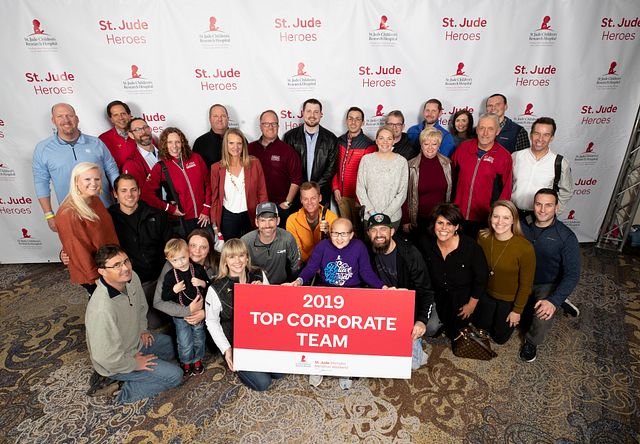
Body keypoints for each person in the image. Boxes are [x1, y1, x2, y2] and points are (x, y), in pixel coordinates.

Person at [286, 218, 386, 389]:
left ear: (352, 235)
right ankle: (317, 367)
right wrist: (300, 280)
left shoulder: (359, 247)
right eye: (335, 233)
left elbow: (366, 272)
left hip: (352, 293)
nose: (339, 238)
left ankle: (345, 369)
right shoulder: (323, 246)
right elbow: (311, 267)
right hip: (326, 293)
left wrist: (382, 287)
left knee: (348, 335)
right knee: (320, 334)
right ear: (330, 233)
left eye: (344, 234)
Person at [86, 245, 182, 404]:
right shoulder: (101, 310)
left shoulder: (132, 278)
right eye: (116, 265)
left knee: (177, 347)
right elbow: (104, 356)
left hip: (137, 341)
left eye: (126, 261)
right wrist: (133, 363)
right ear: (102, 271)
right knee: (175, 376)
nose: (125, 268)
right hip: (116, 361)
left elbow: (141, 308)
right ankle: (120, 389)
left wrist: (143, 329)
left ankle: (136, 375)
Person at [205, 239, 284, 391]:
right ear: (225, 261)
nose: (237, 261)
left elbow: (273, 307)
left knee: (280, 373)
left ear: (247, 257)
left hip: (260, 336)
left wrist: (263, 293)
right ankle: (244, 365)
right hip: (236, 341)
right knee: (263, 383)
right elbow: (211, 322)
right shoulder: (216, 287)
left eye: (241, 256)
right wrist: (227, 350)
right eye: (232, 257)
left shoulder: (258, 275)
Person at [32, 103, 119, 232]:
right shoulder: (43, 149)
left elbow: (112, 171)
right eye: (60, 116)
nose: (66, 120)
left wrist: (120, 199)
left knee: (111, 249)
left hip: (104, 209)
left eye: (70, 115)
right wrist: (49, 215)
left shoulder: (97, 143)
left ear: (77, 118)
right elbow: (41, 183)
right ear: (53, 120)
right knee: (78, 252)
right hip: (71, 213)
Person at [519, 189, 581, 362]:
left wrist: (553, 301)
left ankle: (531, 342)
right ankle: (562, 300)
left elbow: (573, 274)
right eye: (539, 204)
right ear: (534, 205)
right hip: (521, 280)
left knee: (542, 315)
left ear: (556, 207)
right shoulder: (522, 224)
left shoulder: (566, 237)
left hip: (547, 283)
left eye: (548, 205)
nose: (543, 210)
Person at [367, 213, 434, 369]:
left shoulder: (410, 254)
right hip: (380, 304)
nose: (378, 234)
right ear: (368, 233)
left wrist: (421, 320)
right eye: (374, 230)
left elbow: (426, 290)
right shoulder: (367, 250)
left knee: (413, 363)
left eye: (383, 229)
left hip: (407, 307)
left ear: (392, 231)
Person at [419, 203, 488, 343]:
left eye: (449, 224)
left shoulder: (471, 247)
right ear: (434, 224)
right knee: (430, 329)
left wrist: (472, 305)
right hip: (436, 295)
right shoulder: (425, 243)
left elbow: (481, 278)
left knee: (455, 333)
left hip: (461, 298)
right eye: (440, 223)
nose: (444, 228)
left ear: (456, 227)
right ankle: (438, 322)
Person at [108, 174, 172, 327]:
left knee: (160, 322)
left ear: (139, 192)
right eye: (123, 191)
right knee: (147, 324)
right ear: (115, 194)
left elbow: (172, 245)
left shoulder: (158, 215)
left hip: (159, 279)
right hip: (130, 283)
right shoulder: (108, 219)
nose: (129, 195)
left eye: (133, 190)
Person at [475, 200, 536, 344]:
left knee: (499, 338)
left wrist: (517, 311)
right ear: (490, 218)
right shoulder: (482, 237)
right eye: (496, 216)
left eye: (506, 217)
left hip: (509, 300)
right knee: (480, 327)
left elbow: (526, 285)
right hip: (486, 293)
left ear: (513, 220)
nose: (500, 222)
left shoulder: (525, 248)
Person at [55, 162, 119, 294]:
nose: (93, 183)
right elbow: (78, 250)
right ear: (76, 182)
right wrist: (96, 279)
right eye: (87, 179)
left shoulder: (94, 199)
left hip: (108, 265)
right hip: (95, 274)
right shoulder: (68, 213)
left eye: (97, 179)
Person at [154, 229, 220, 347]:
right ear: (185, 246)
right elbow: (158, 302)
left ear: (210, 249)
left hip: (211, 313)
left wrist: (206, 312)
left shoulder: (217, 263)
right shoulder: (172, 264)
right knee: (184, 341)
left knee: (212, 345)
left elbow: (226, 296)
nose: (196, 251)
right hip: (183, 314)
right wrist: (188, 311)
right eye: (193, 246)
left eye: (203, 247)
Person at [451, 113, 512, 239]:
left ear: (497, 131)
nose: (485, 133)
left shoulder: (504, 156)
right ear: (477, 129)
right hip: (457, 214)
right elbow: (450, 176)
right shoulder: (463, 148)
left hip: (484, 218)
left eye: (490, 129)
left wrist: (496, 217)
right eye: (482, 128)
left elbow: (506, 191)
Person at [141, 127, 212, 236]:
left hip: (204, 216)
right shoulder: (161, 167)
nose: (174, 146)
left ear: (182, 143)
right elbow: (146, 194)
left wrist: (207, 208)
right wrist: (169, 208)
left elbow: (208, 184)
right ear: (165, 144)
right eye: (170, 142)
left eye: (177, 142)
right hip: (183, 219)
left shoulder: (196, 158)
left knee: (209, 248)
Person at [161, 238, 209, 376]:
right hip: (180, 315)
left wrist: (201, 282)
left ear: (188, 253)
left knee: (199, 337)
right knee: (184, 340)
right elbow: (165, 297)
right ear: (169, 260)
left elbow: (209, 285)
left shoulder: (198, 269)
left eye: (183, 258)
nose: (180, 262)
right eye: (174, 260)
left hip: (198, 311)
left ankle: (197, 359)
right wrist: (174, 290)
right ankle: (186, 361)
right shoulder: (170, 276)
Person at [211, 128, 268, 240]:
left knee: (251, 249)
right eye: (231, 143)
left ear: (243, 146)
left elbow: (262, 192)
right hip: (228, 217)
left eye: (239, 143)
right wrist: (214, 224)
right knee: (232, 252)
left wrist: (263, 217)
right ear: (225, 145)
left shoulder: (254, 163)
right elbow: (215, 199)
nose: (235, 147)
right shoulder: (216, 168)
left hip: (251, 215)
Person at [248, 110, 302, 226]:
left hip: (279, 207)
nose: (270, 127)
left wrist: (287, 202)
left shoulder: (288, 151)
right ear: (261, 126)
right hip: (254, 206)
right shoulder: (249, 149)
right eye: (266, 124)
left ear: (278, 126)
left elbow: (296, 179)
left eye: (274, 124)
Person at [511, 117, 573, 219]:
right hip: (513, 214)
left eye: (546, 135)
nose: (540, 139)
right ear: (531, 135)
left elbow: (567, 191)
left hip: (540, 218)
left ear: (552, 138)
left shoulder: (559, 163)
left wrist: (553, 212)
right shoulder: (516, 156)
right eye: (537, 133)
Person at [283, 98, 338, 206]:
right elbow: (287, 167)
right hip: (296, 194)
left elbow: (331, 169)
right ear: (303, 113)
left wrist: (314, 189)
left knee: (321, 223)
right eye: (309, 111)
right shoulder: (290, 137)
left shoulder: (331, 139)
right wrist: (302, 188)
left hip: (321, 194)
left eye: (316, 112)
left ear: (321, 114)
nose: (312, 115)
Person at [332, 106, 377, 233]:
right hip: (341, 195)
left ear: (363, 122)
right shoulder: (339, 141)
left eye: (357, 119)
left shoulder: (369, 144)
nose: (353, 122)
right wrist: (335, 188)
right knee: (345, 229)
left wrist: (360, 198)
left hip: (359, 196)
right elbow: (333, 167)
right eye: (350, 118)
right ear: (346, 121)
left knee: (359, 231)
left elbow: (369, 176)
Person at [403, 128, 452, 237]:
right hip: (418, 219)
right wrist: (406, 220)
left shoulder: (447, 164)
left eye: (434, 144)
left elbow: (451, 192)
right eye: (426, 144)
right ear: (421, 144)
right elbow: (404, 195)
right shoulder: (411, 165)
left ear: (438, 145)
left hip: (441, 220)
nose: (430, 148)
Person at [357, 126, 408, 229]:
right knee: (369, 244)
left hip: (392, 218)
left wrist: (386, 214)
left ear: (394, 141)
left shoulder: (401, 162)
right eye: (381, 138)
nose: (385, 142)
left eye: (389, 138)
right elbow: (360, 188)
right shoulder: (366, 160)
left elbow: (402, 193)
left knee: (389, 244)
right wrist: (372, 212)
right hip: (369, 216)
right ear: (376, 140)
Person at [241, 202, 300, 284]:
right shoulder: (245, 241)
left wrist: (292, 283)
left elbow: (295, 266)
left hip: (281, 286)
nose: (267, 225)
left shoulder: (287, 238)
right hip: (256, 287)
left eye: (271, 220)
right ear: (256, 222)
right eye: (263, 220)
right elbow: (238, 268)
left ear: (278, 221)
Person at [286, 181, 338, 264]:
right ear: (301, 200)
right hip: (304, 262)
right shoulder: (292, 220)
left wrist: (328, 233)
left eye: (313, 198)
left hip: (327, 262)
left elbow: (339, 246)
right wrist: (313, 264)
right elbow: (297, 249)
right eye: (305, 199)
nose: (309, 202)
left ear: (320, 198)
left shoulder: (331, 217)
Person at [121, 117, 159, 194]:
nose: (143, 132)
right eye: (137, 129)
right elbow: (142, 194)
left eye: (145, 127)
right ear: (131, 135)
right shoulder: (131, 164)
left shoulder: (166, 153)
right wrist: (167, 206)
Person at [98, 100, 136, 170]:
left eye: (123, 113)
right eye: (116, 115)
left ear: (129, 115)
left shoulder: (141, 134)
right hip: (117, 179)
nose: (121, 118)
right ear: (111, 119)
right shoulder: (103, 139)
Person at [193, 104, 229, 169]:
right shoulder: (200, 143)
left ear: (228, 118)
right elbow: (196, 170)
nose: (220, 119)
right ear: (210, 119)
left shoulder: (240, 139)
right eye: (215, 116)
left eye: (223, 116)